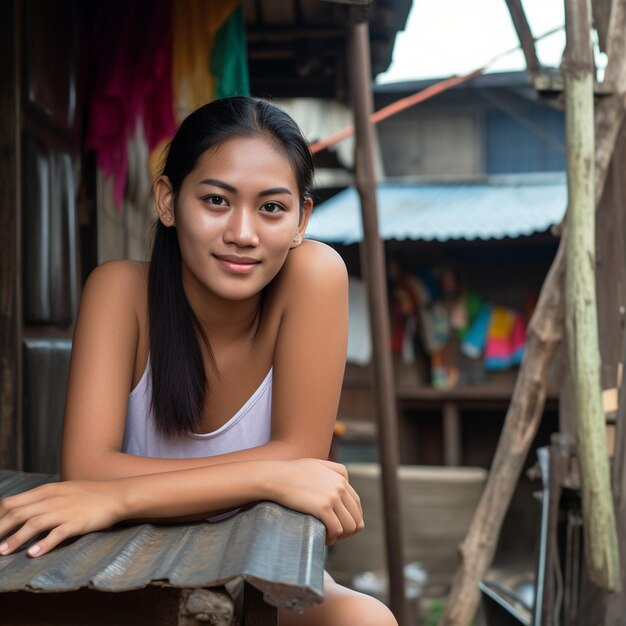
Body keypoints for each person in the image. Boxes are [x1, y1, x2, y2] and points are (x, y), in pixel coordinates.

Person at [0, 97, 397, 626]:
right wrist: (270, 477)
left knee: (366, 620)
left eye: (271, 208)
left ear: (302, 219)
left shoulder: (315, 276)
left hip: (260, 568)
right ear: (168, 201)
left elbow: (298, 458)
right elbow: (86, 471)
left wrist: (118, 495)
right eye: (215, 200)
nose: (243, 233)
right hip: (123, 566)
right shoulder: (119, 291)